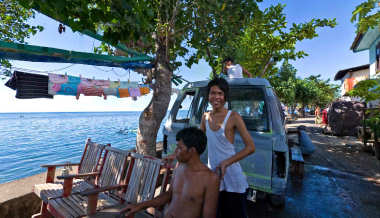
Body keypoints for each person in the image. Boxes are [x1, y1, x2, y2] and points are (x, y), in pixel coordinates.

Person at [122, 127, 220, 218]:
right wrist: (140, 206)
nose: (176, 151)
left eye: (179, 148)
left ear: (192, 151)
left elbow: (209, 215)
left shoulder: (210, 179)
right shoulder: (179, 167)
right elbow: (169, 195)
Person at [200, 78, 255, 218]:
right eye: (213, 93)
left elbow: (250, 147)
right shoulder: (205, 117)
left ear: (225, 97)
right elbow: (198, 143)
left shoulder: (234, 117)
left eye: (220, 93)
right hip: (214, 176)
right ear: (208, 96)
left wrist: (226, 162)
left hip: (232, 177)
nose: (216, 97)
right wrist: (177, 155)